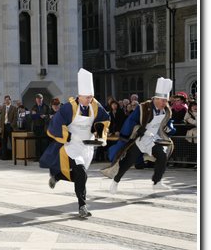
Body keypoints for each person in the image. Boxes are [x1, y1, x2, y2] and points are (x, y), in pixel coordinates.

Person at [39, 69, 110, 218]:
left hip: (88, 147)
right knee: (82, 174)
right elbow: (55, 124)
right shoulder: (68, 107)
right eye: (86, 97)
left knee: (79, 176)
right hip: (73, 146)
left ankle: (57, 176)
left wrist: (99, 133)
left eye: (91, 97)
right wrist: (67, 135)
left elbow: (104, 120)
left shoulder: (95, 106)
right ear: (79, 96)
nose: (89, 100)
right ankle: (82, 206)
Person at [103, 77, 176, 194]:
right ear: (156, 99)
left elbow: (169, 124)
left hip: (154, 140)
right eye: (163, 100)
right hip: (140, 139)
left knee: (162, 156)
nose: (165, 103)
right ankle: (115, 182)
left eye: (166, 101)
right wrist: (127, 135)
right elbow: (131, 121)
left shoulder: (166, 110)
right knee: (128, 162)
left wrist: (169, 129)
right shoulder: (144, 107)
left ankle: (157, 182)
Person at [30, 93, 50, 159]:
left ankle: (44, 157)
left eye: (40, 99)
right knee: (37, 142)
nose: (39, 100)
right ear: (36, 100)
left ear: (42, 99)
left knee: (44, 142)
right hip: (36, 127)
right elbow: (31, 116)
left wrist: (44, 116)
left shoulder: (46, 107)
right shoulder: (34, 107)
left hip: (44, 127)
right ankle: (37, 157)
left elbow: (49, 116)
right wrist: (36, 115)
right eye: (37, 99)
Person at [0, 95, 17, 160]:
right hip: (4, 126)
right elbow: (1, 118)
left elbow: (15, 118)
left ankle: (14, 156)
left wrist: (11, 125)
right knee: (4, 141)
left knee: (12, 142)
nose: (6, 101)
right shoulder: (3, 107)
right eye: (5, 100)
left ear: (10, 100)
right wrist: (0, 127)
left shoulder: (14, 108)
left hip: (10, 126)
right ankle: (4, 156)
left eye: (8, 100)